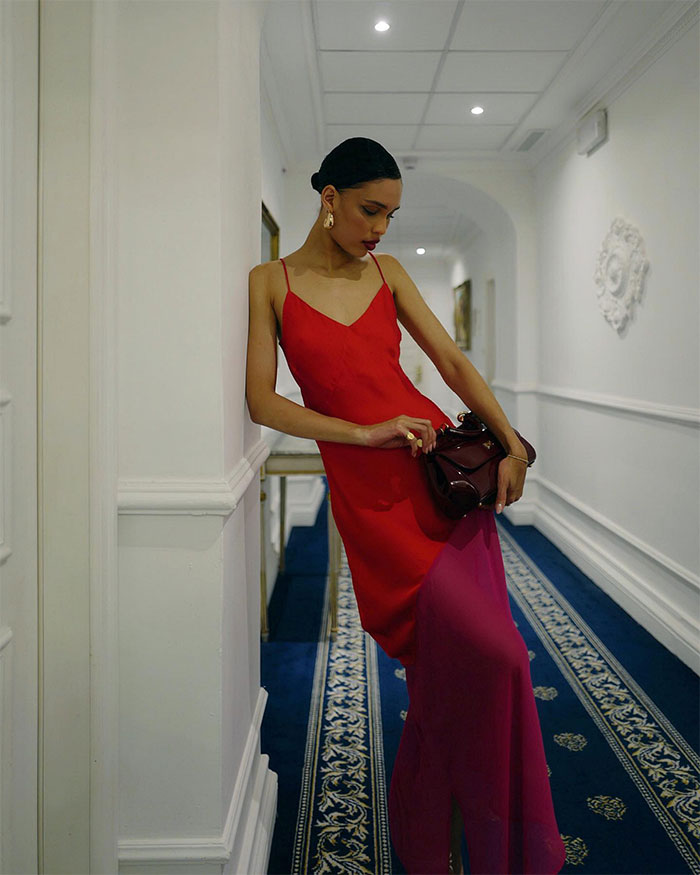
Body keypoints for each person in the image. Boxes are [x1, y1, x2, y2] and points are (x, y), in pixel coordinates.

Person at [245, 137, 567, 875]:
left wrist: (513, 444)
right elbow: (263, 400)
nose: (380, 228)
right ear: (328, 199)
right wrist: (363, 431)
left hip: (440, 487)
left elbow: (451, 362)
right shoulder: (270, 283)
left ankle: (450, 841)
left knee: (491, 661)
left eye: (390, 213)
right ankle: (445, 834)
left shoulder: (387, 274)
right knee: (473, 662)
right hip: (372, 500)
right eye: (369, 210)